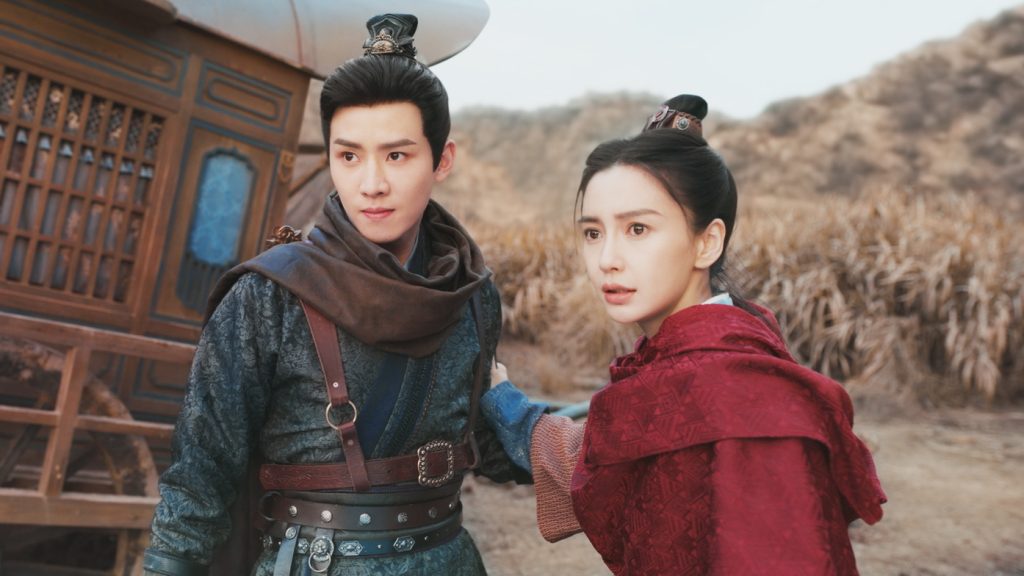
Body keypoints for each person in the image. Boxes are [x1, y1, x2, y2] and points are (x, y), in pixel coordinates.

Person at [142, 14, 528, 576]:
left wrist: (575, 431)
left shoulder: (472, 295)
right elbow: (202, 469)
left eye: (397, 156)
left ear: (442, 160)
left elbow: (484, 443)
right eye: (349, 156)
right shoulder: (267, 297)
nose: (371, 184)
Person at [482, 94, 887, 575]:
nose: (607, 259)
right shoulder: (693, 363)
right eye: (592, 233)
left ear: (706, 242)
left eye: (637, 229)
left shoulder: (731, 387)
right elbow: (613, 449)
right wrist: (509, 407)